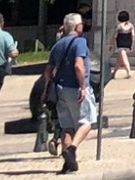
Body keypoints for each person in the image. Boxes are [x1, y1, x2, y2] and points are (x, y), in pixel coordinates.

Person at [46, 14, 96, 173]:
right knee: (86, 122)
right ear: (77, 27)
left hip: (61, 90)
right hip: (77, 88)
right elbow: (78, 66)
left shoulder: (57, 45)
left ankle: (67, 163)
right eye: (81, 24)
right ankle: (72, 149)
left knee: (67, 126)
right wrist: (82, 86)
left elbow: (48, 71)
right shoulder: (80, 42)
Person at [113, 11, 135, 78]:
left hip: (121, 44)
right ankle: (114, 73)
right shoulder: (131, 25)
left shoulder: (119, 26)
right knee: (119, 60)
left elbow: (115, 36)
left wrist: (112, 44)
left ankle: (129, 72)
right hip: (128, 43)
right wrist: (132, 44)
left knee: (124, 58)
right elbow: (133, 35)